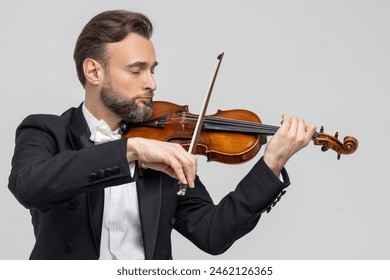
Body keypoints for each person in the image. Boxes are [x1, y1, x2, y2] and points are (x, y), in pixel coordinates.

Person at [8, 10, 316, 260]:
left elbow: (213, 233)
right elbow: (29, 185)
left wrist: (270, 164)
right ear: (94, 72)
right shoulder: (46, 130)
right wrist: (130, 151)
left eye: (152, 69)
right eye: (137, 70)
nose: (152, 83)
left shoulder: (162, 145)